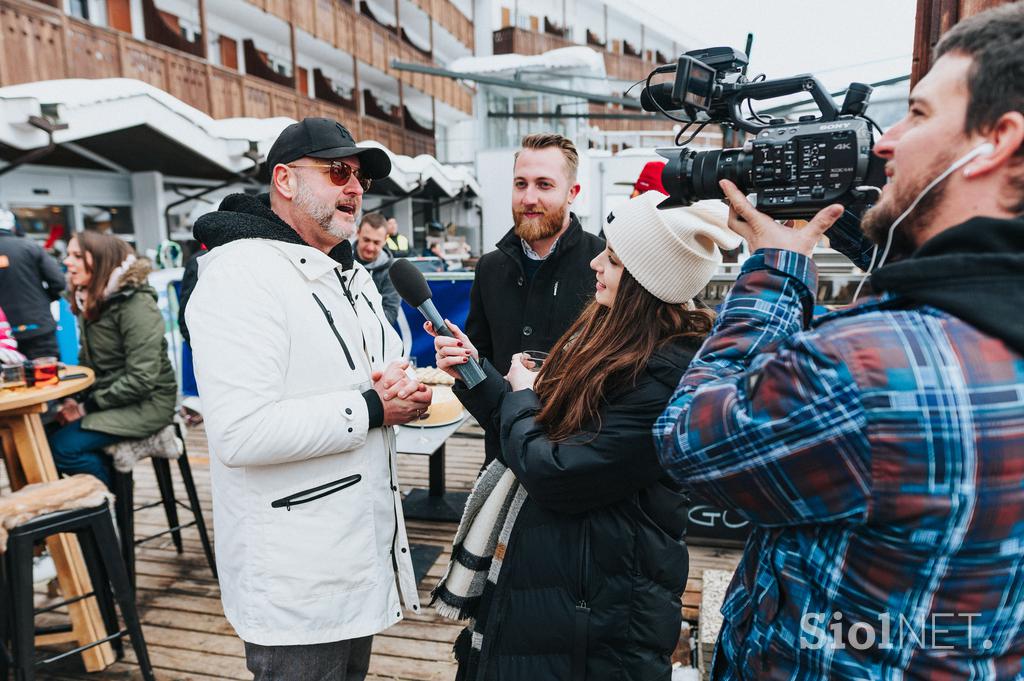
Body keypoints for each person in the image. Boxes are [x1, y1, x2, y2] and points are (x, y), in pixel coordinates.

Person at [655, 5, 1024, 678]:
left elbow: (687, 439)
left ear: (997, 139)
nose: (883, 143)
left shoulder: (871, 368)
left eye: (916, 114)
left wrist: (772, 271)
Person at [428, 191, 740, 681]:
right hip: (555, 582)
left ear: (645, 282)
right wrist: (475, 373)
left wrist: (523, 395)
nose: (595, 262)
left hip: (596, 613)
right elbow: (531, 430)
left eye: (612, 259)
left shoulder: (664, 377)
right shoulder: (607, 336)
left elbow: (554, 471)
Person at [185, 117, 431, 680]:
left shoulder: (349, 271)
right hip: (295, 579)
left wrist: (406, 387)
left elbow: (377, 368)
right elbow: (240, 432)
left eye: (361, 177)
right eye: (338, 171)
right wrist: (373, 408)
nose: (355, 187)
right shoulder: (240, 275)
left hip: (354, 558)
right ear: (285, 181)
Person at [465, 132, 604, 462]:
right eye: (520, 184)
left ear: (572, 193)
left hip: (579, 458)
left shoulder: (604, 264)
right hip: (503, 455)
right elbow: (478, 364)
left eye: (544, 185)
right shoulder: (489, 268)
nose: (528, 198)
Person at [47, 231, 177, 490]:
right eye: (68, 255)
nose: (67, 262)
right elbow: (89, 363)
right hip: (112, 400)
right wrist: (74, 399)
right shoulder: (90, 298)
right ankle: (92, 516)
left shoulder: (136, 303)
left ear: (101, 260)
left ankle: (107, 518)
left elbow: (142, 380)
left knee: (61, 448)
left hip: (149, 404)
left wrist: (85, 408)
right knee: (44, 433)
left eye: (76, 256)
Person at [0, 208, 66, 359]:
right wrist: (43, 299)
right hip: (38, 327)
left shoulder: (29, 246)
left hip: (3, 339)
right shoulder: (30, 246)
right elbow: (59, 283)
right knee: (48, 377)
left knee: (11, 382)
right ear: (13, 227)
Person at [354, 212, 401, 325]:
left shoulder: (392, 272)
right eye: (366, 240)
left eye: (376, 242)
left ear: (385, 239)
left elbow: (390, 315)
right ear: (358, 233)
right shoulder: (339, 260)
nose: (370, 247)